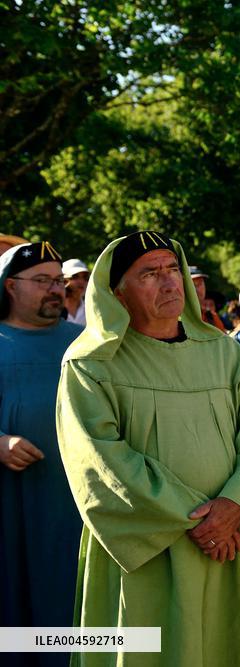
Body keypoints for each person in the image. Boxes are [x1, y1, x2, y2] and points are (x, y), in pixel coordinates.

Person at [56, 230, 240, 666]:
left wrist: (235, 505)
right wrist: (199, 520)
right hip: (148, 546)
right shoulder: (90, 363)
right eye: (150, 274)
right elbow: (100, 462)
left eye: (172, 270)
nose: (168, 283)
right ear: (117, 292)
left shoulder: (224, 353)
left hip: (229, 542)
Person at [1, 242, 83, 666]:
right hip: (9, 508)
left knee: (69, 604)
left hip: (71, 508)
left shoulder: (85, 343)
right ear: (10, 286)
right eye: (43, 281)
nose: (56, 289)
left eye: (59, 281)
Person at [189, 264, 226, 331]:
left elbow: (225, 340)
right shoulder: (175, 318)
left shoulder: (211, 317)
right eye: (192, 284)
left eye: (200, 283)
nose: (197, 289)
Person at [61, 258, 90, 325]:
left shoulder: (91, 310)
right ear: (63, 280)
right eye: (75, 277)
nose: (81, 281)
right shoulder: (52, 310)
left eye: (85, 277)